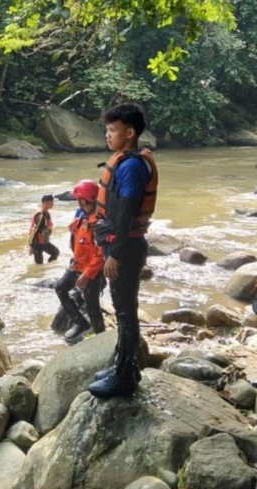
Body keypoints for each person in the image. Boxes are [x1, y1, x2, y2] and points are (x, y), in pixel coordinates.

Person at [87, 103, 158, 399]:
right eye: (107, 129)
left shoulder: (130, 167)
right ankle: (122, 364)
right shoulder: (126, 160)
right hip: (123, 245)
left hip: (125, 249)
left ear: (129, 133)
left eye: (113, 130)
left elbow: (127, 211)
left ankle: (125, 376)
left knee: (126, 313)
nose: (108, 135)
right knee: (122, 308)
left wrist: (115, 253)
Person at [55, 180, 106, 344]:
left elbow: (100, 255)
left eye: (80, 199)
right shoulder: (82, 216)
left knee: (93, 308)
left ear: (86, 200)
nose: (78, 202)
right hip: (77, 265)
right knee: (61, 288)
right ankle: (80, 322)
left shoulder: (99, 223)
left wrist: (87, 274)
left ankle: (101, 339)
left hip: (91, 272)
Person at [28, 194, 59, 264]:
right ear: (45, 203)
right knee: (39, 264)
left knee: (55, 252)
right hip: (37, 244)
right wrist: (31, 246)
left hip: (44, 242)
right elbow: (34, 230)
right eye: (51, 202)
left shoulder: (46, 213)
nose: (53, 204)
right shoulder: (40, 215)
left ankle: (49, 268)